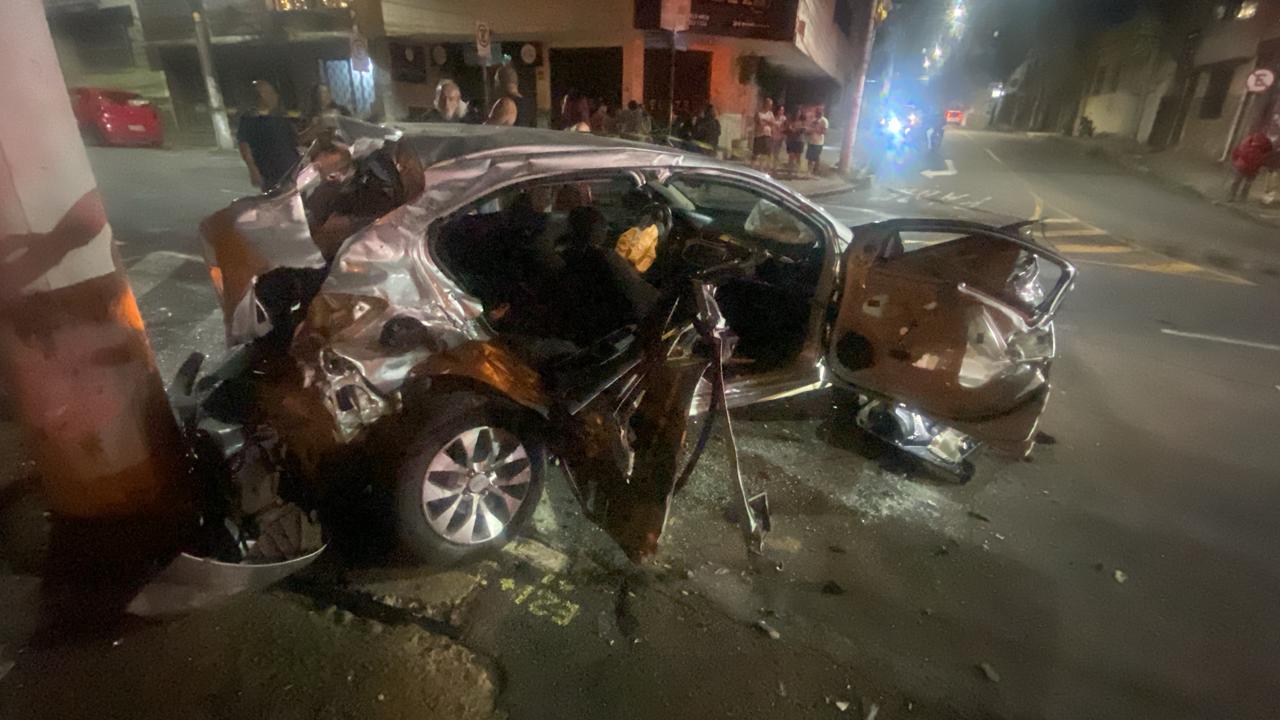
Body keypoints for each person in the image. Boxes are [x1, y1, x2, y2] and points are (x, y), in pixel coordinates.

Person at [237, 79, 300, 191]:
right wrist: (253, 169)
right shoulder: (250, 119)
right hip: (270, 173)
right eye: (270, 92)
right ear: (261, 96)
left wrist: (317, 128)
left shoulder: (280, 117)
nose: (275, 96)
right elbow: (244, 145)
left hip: (292, 170)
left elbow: (296, 140)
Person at [1228, 130, 1274, 203]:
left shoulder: (1246, 143)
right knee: (1246, 184)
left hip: (1242, 166)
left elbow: (1237, 151)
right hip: (1252, 169)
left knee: (1237, 182)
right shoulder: (1264, 149)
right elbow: (1264, 160)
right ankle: (1241, 198)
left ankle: (1232, 196)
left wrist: (1234, 160)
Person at [752, 98, 777, 170]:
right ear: (765, 104)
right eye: (769, 104)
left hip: (767, 135)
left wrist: (765, 121)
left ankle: (761, 168)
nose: (770, 106)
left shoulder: (770, 113)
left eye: (771, 105)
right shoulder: (759, 113)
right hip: (759, 134)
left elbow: (773, 123)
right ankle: (753, 167)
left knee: (765, 153)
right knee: (756, 153)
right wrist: (768, 122)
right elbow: (759, 123)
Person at [806, 104, 829, 175]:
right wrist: (808, 131)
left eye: (820, 111)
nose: (818, 112)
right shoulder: (813, 119)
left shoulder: (824, 120)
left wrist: (817, 130)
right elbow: (808, 129)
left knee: (816, 157)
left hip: (818, 142)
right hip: (811, 141)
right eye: (817, 111)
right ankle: (809, 171)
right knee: (809, 157)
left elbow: (825, 132)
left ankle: (815, 171)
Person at [785, 108, 807, 174]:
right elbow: (788, 128)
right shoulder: (791, 121)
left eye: (799, 113)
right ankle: (790, 171)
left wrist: (795, 130)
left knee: (798, 157)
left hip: (799, 141)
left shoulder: (802, 122)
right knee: (791, 156)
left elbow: (803, 130)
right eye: (797, 113)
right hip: (791, 140)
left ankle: (797, 171)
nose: (798, 114)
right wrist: (792, 129)